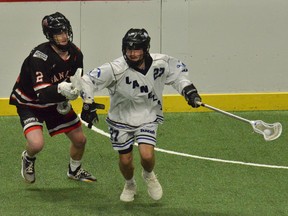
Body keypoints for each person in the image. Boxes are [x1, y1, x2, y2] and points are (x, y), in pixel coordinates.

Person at [79, 28, 201, 202]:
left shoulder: (161, 62)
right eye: (129, 49)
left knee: (147, 155)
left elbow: (178, 76)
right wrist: (88, 102)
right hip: (120, 120)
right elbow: (87, 80)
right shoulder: (115, 68)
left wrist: (189, 92)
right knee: (126, 160)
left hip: (148, 116)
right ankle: (129, 184)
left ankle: (149, 175)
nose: (133, 54)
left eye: (137, 49)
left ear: (145, 49)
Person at [9, 12, 97, 184]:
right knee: (36, 144)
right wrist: (61, 89)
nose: (64, 36)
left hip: (55, 100)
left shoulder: (76, 53)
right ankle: (28, 158)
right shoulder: (39, 57)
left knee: (80, 140)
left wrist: (88, 102)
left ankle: (75, 170)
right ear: (50, 35)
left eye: (65, 31)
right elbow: (42, 94)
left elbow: (77, 81)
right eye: (58, 33)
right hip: (30, 102)